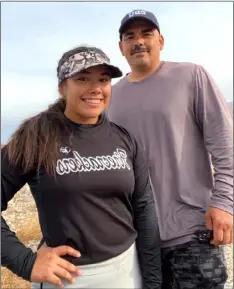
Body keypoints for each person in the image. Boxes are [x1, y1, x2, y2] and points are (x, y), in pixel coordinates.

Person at [1, 46, 162, 289]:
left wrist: (152, 281)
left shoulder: (125, 139)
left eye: (103, 79)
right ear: (63, 87)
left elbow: (144, 208)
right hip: (66, 279)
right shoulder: (36, 137)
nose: (95, 88)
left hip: (127, 273)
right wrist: (25, 262)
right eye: (83, 78)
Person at [107, 9, 233, 289]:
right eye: (130, 36)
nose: (138, 41)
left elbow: (224, 142)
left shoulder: (191, 76)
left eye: (146, 34)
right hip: (138, 240)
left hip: (194, 231)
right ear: (121, 47)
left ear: (160, 41)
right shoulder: (111, 97)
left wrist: (224, 202)